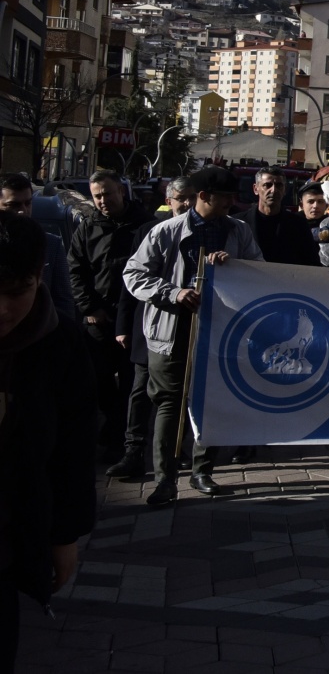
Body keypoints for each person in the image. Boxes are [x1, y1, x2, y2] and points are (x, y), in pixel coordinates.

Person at [122, 165, 264, 506]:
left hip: (219, 331)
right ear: (203, 196)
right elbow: (134, 274)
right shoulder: (166, 231)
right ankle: (165, 479)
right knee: (169, 403)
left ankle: (203, 470)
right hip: (171, 331)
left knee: (210, 400)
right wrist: (174, 293)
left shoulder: (238, 231)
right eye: (225, 197)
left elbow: (259, 270)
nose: (231, 203)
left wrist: (234, 267)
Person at [0, 212, 95, 672]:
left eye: (16, 291)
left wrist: (63, 535)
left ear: (39, 276)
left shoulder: (61, 343)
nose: (2, 309)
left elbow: (73, 449)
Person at [107, 177, 197, 481]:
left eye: (191, 197)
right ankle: (133, 451)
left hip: (183, 328)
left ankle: (176, 450)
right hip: (147, 325)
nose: (187, 204)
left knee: (178, 392)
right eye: (181, 198)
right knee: (139, 391)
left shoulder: (202, 233)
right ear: (169, 201)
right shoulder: (150, 230)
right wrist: (122, 326)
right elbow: (130, 281)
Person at [68, 170, 154, 461]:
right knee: (98, 380)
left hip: (134, 317)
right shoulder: (87, 227)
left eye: (107, 194)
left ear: (121, 191)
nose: (103, 200)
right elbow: (75, 270)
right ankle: (111, 426)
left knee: (132, 384)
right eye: (97, 196)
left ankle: (122, 439)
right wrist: (90, 308)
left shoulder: (145, 225)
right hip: (98, 319)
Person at [0, 174, 79, 329]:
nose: (22, 211)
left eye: (27, 203)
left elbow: (63, 300)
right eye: (13, 205)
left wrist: (62, 336)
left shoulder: (51, 244)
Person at [248, 169, 320, 267]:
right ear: (255, 189)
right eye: (267, 185)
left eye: (279, 185)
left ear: (285, 190)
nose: (274, 190)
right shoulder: (240, 223)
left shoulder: (299, 224)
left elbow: (312, 263)